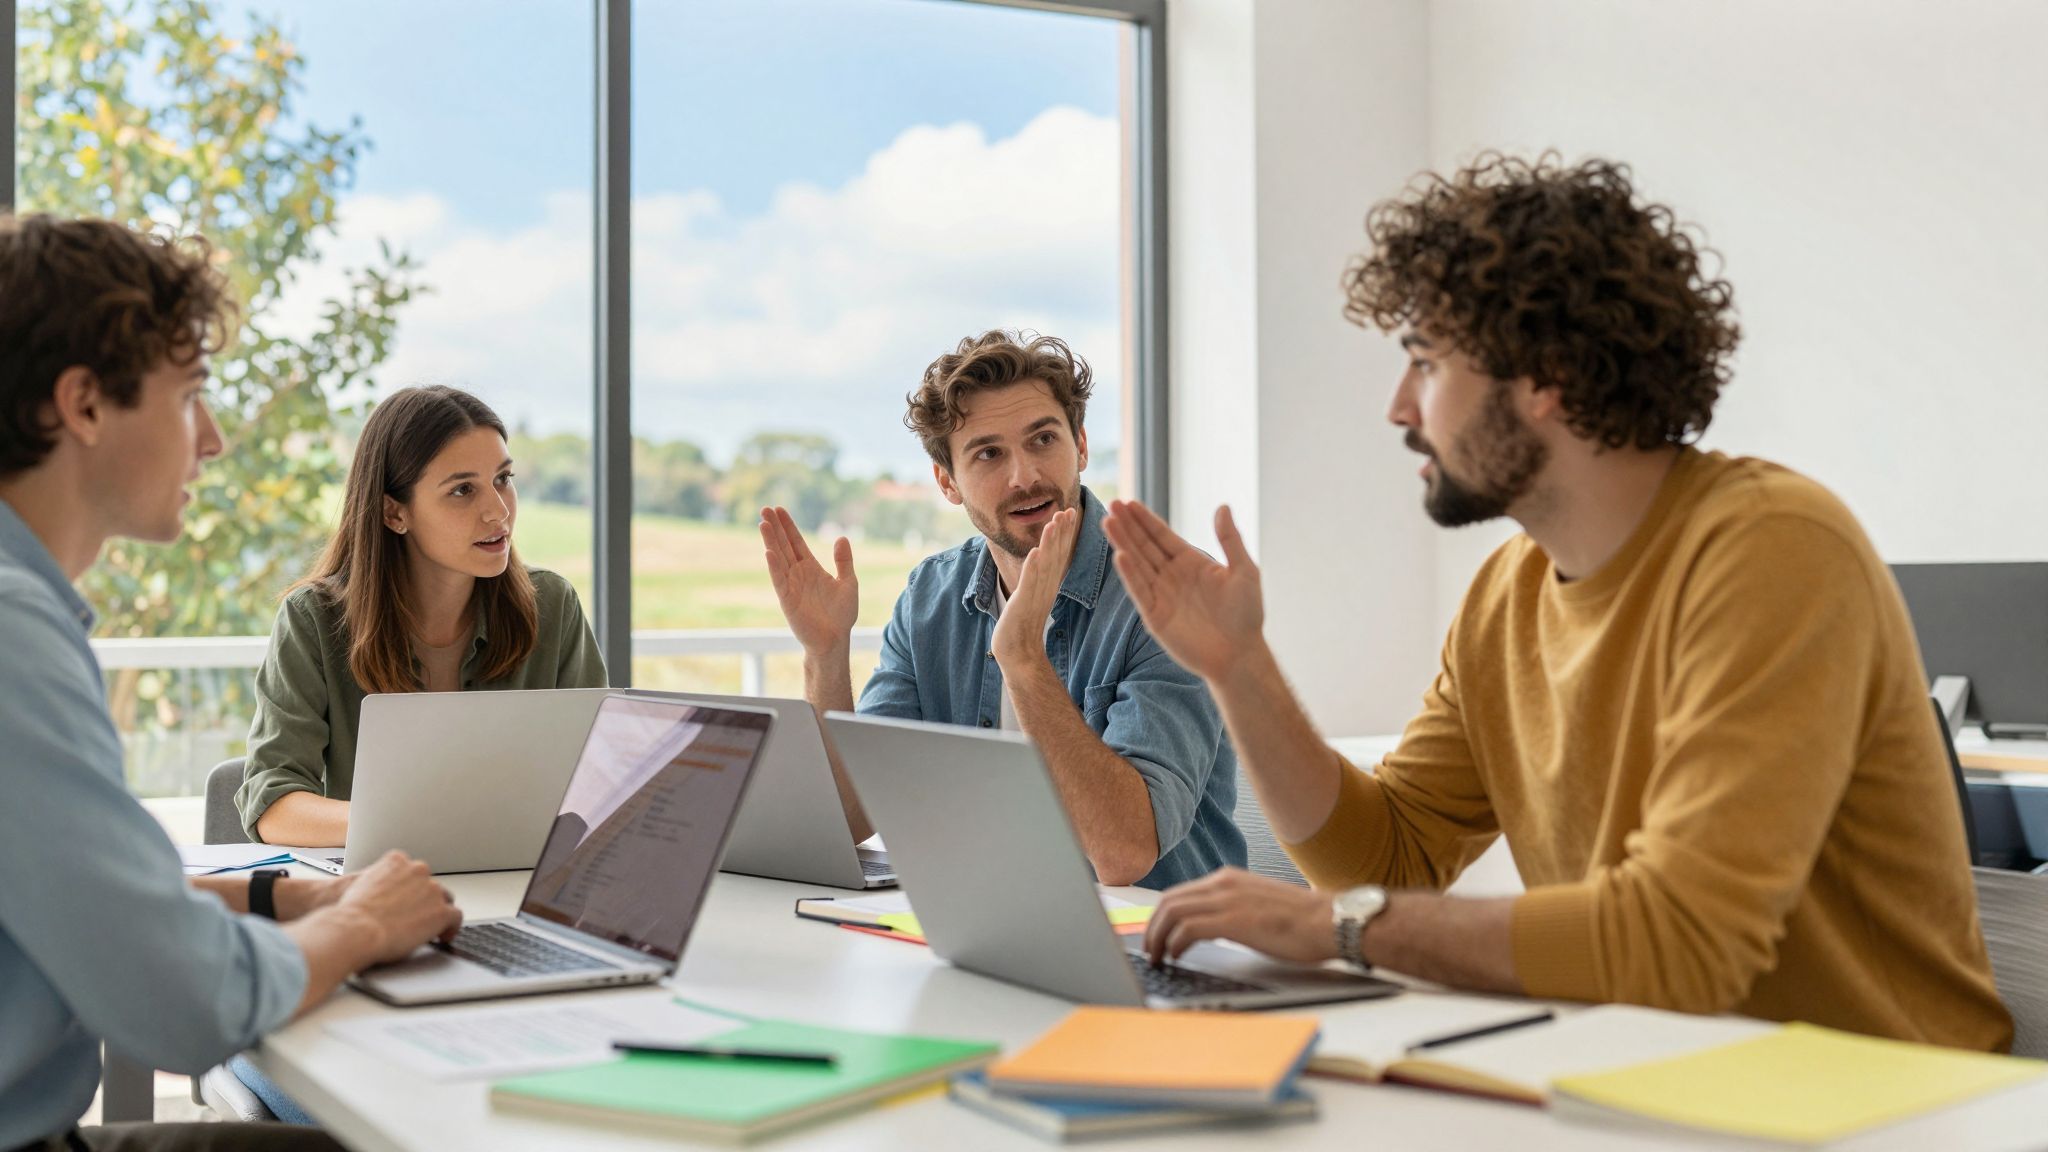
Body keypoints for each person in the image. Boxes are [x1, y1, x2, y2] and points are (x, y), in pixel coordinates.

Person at [1113, 154, 2011, 1049]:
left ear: (1544, 375)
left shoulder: (1773, 550)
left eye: (1424, 362)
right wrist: (1239, 667)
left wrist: (1348, 929)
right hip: (1657, 1078)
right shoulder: (1509, 594)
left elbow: (1683, 942)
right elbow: (1387, 857)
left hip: (1893, 1107)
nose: (1398, 408)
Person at [0, 212, 465, 1151]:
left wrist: (281, 899)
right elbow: (183, 1008)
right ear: (83, 404)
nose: (209, 440)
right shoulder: (14, 636)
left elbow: (81, 895)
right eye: (187, 397)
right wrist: (364, 924)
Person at [759, 330, 1245, 888]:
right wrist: (825, 652)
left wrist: (1023, 659)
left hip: (1158, 947)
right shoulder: (930, 597)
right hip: (989, 928)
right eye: (989, 453)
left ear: (1081, 445)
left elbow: (1124, 853)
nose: (1025, 477)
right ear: (947, 482)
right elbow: (849, 819)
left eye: (1043, 439)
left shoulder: (1166, 592)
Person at [236, 385, 608, 846]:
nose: (498, 511)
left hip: (516, 888)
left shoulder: (552, 605)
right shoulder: (314, 618)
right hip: (382, 893)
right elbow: (275, 805)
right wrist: (420, 823)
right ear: (394, 512)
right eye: (462, 490)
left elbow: (600, 779)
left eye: (503, 479)